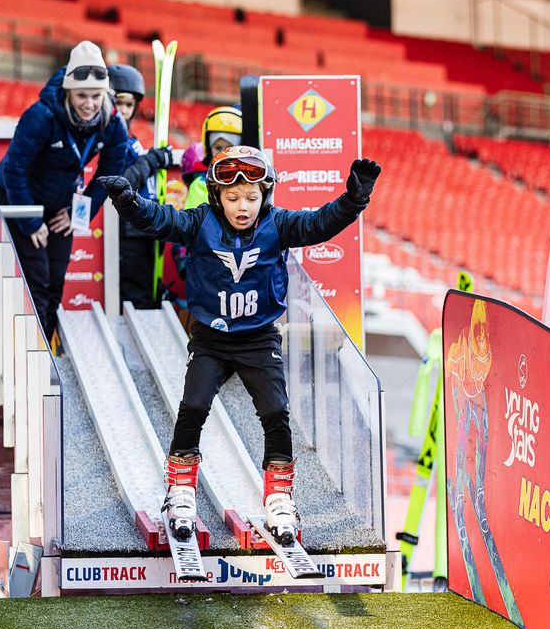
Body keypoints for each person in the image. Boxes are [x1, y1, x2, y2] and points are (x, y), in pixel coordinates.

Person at [99, 146, 381, 546]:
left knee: (275, 411)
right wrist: (128, 201)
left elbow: (320, 224)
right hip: (211, 338)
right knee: (193, 405)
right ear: (217, 196)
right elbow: (159, 219)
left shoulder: (279, 224)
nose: (242, 206)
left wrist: (354, 199)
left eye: (251, 197)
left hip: (259, 337)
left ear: (265, 196)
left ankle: (279, 497)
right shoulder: (200, 222)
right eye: (232, 198)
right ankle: (181, 492)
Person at [0, 40, 130, 345]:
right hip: (21, 199)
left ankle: (44, 351)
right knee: (38, 280)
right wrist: (31, 223)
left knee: (55, 282)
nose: (89, 104)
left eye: (96, 96)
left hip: (61, 207)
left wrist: (78, 214)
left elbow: (110, 175)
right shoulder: (41, 115)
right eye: (81, 95)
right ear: (68, 92)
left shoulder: (113, 123)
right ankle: (33, 356)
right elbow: (14, 170)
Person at [107, 63, 179, 308]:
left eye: (129, 104)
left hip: (143, 222)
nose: (125, 110)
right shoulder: (109, 136)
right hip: (127, 229)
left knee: (148, 290)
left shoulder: (128, 135)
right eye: (119, 102)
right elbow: (122, 181)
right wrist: (153, 159)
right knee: (136, 295)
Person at [183, 105, 242, 210]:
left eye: (230, 148)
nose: (223, 154)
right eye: (218, 147)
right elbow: (193, 222)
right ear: (209, 150)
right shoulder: (200, 185)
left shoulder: (251, 182)